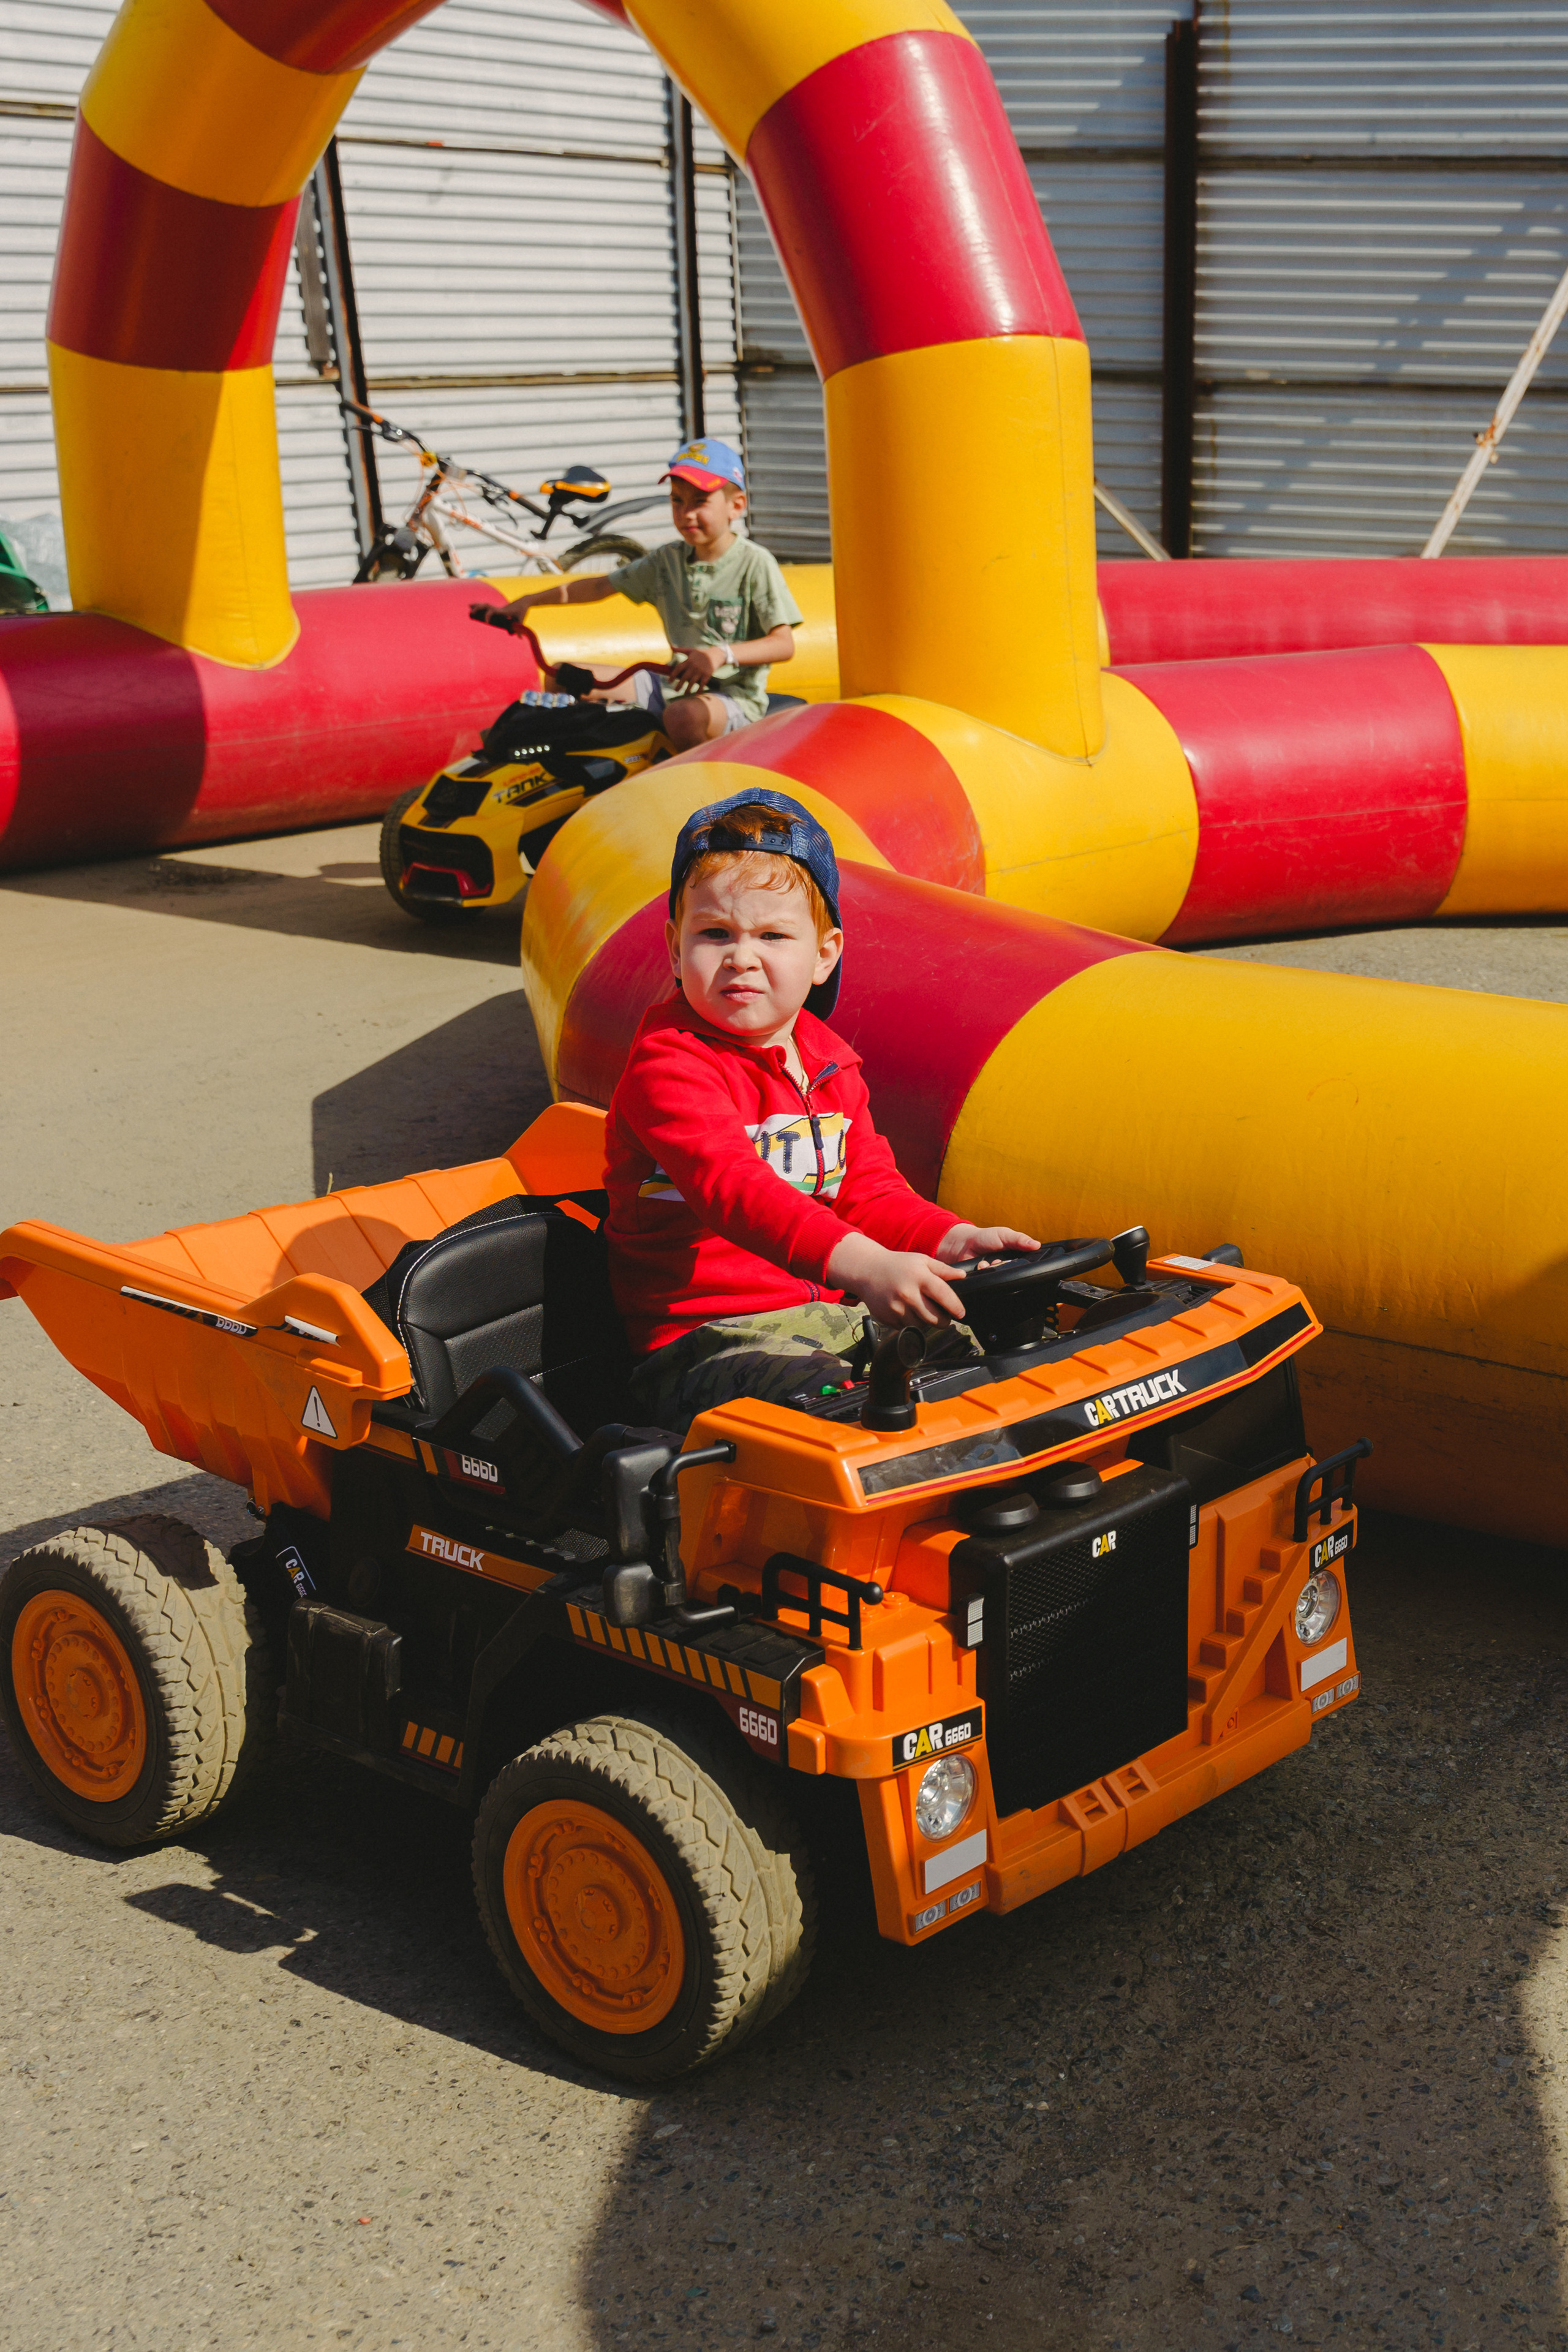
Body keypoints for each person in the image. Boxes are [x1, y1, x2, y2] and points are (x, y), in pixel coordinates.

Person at [605, 788, 1040, 1433]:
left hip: (832, 1318)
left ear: (824, 955)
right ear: (674, 948)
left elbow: (869, 1191)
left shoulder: (830, 1061)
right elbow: (734, 1188)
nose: (741, 957)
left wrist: (951, 1238)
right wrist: (866, 1265)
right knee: (834, 1409)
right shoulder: (669, 1064)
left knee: (976, 1365)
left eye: (772, 935)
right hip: (704, 1343)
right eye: (714, 934)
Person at [498, 439, 801, 752]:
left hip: (732, 697)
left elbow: (783, 643)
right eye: (677, 501)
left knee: (682, 717)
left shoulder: (754, 562)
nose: (686, 514)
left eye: (700, 501)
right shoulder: (666, 561)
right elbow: (599, 587)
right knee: (564, 677)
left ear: (736, 506)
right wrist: (528, 601)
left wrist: (720, 654)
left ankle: (704, 793)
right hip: (671, 684)